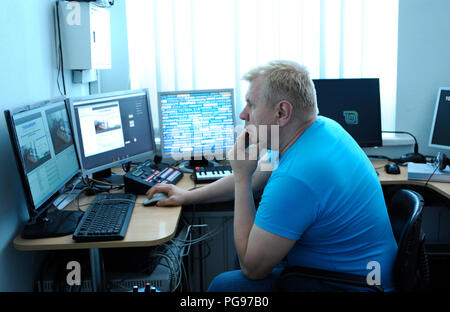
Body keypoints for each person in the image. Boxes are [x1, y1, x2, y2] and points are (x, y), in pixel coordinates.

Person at [146, 60, 398, 292]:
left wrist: (242, 179)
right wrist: (186, 196)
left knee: (225, 286)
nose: (243, 114)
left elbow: (252, 270)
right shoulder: (320, 129)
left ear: (282, 113)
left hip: (354, 286)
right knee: (244, 251)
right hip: (366, 272)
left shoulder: (297, 176)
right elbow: (256, 173)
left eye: (252, 104)